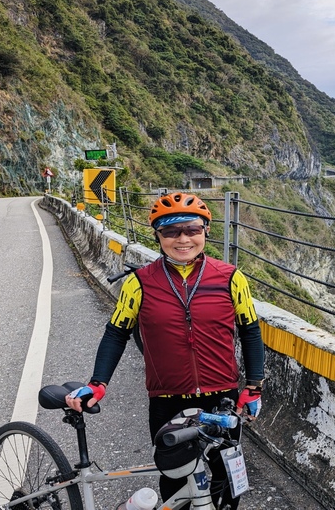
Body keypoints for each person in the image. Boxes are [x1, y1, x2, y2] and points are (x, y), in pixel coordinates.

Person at [65, 192, 265, 509]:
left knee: (224, 487)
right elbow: (116, 333)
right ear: (158, 236)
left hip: (221, 400)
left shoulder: (230, 278)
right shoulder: (140, 283)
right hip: (167, 403)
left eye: (192, 229)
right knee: (174, 483)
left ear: (206, 231)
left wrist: (253, 388)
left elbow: (250, 330)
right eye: (171, 231)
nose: (183, 239)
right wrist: (98, 382)